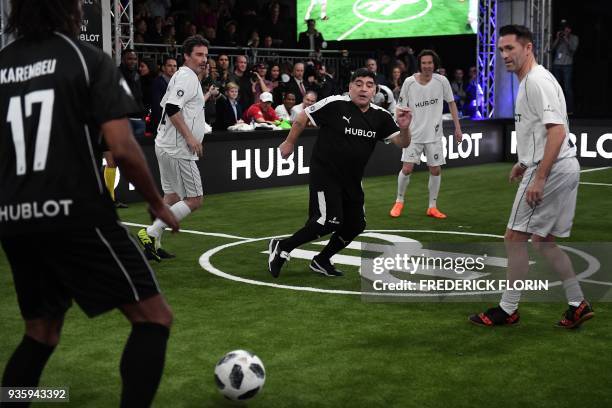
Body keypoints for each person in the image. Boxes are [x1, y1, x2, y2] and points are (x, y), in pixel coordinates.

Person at [0, 1, 179, 406]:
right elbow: (122, 147)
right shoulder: (85, 59)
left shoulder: (3, 64)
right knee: (154, 318)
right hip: (75, 212)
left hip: (14, 218)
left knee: (39, 333)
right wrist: (156, 203)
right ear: (69, 10)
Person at [469, 25, 593, 329]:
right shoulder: (532, 81)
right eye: (500, 50)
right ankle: (578, 303)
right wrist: (524, 163)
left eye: (510, 48)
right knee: (543, 242)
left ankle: (508, 309)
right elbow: (543, 131)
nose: (504, 55)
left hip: (551, 169)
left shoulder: (536, 81)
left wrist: (538, 177)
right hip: (559, 166)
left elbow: (557, 131)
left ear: (528, 49)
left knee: (514, 239)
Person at [267, 68, 412, 278]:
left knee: (356, 224)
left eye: (369, 85)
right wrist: (289, 142)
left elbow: (402, 142)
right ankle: (282, 247)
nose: (363, 89)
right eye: (359, 83)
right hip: (325, 173)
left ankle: (322, 260)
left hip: (352, 178)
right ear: (350, 87)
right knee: (328, 221)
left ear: (375, 91)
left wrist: (405, 127)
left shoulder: (381, 116)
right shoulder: (335, 104)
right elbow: (303, 117)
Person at [137, 35, 210, 261]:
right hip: (179, 149)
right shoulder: (186, 77)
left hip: (166, 144)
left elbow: (174, 106)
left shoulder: (182, 76)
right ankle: (150, 232)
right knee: (195, 199)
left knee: (172, 195)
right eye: (199, 55)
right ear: (186, 56)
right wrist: (190, 138)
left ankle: (154, 244)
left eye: (206, 55)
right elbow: (171, 108)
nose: (204, 59)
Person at [389, 49, 463, 219]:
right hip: (413, 135)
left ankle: (432, 206)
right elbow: (399, 107)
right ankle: (399, 201)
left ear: (434, 64)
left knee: (435, 170)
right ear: (420, 64)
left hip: (434, 135)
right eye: (424, 63)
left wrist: (458, 128)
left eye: (430, 63)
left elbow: (451, 104)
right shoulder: (409, 82)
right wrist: (399, 128)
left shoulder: (442, 81)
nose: (427, 66)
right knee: (407, 169)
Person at [551, 20, 579, 114]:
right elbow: (552, 48)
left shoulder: (574, 38)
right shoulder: (559, 37)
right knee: (556, 87)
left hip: (567, 65)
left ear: (570, 30)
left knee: (567, 88)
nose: (565, 30)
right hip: (557, 64)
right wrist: (557, 39)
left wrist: (566, 39)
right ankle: (556, 108)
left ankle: (569, 109)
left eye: (566, 29)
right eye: (564, 29)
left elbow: (573, 49)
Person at [151, 56, 178, 131]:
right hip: (162, 122)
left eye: (175, 66)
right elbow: (156, 104)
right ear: (163, 68)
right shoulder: (157, 82)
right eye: (169, 65)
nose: (172, 68)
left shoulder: (178, 82)